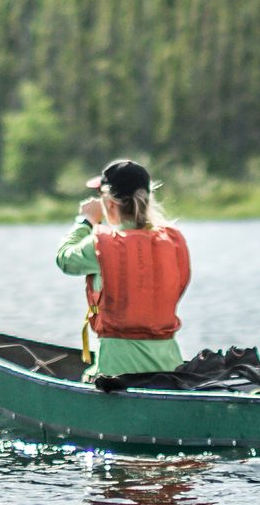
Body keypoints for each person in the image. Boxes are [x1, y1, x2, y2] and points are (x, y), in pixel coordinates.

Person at [54, 158, 191, 379]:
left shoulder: (101, 245)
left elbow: (64, 258)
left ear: (109, 203)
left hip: (116, 371)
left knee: (89, 377)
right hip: (169, 369)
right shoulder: (172, 241)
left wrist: (86, 220)